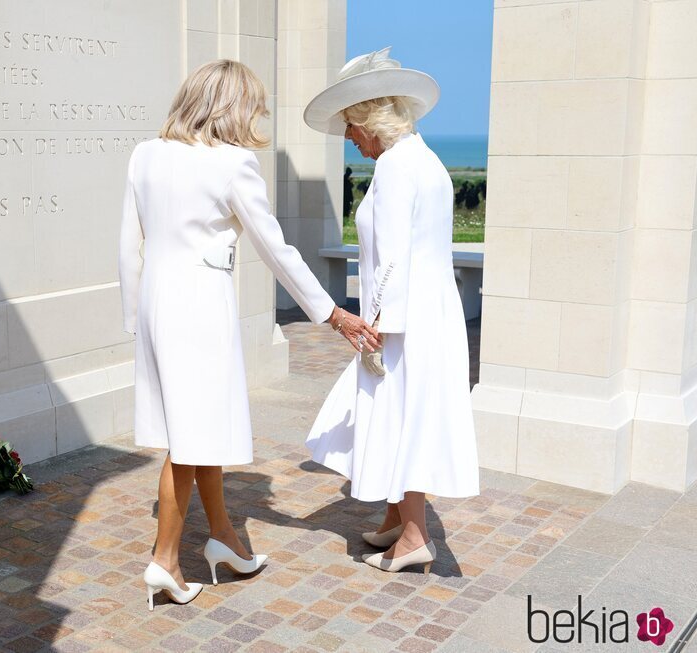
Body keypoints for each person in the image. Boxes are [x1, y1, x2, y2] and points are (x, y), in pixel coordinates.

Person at [118, 59, 380, 609]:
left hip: (155, 306)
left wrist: (134, 321)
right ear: (233, 107)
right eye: (253, 105)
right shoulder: (234, 164)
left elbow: (129, 246)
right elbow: (275, 249)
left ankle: (227, 540)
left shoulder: (145, 154)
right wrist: (331, 312)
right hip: (200, 309)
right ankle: (165, 561)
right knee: (188, 443)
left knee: (197, 428)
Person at [303, 47, 480, 574]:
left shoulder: (400, 167)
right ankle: (396, 519)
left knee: (406, 418)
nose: (348, 138)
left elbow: (394, 257)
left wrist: (376, 325)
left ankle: (415, 537)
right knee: (401, 415)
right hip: (426, 312)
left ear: (368, 119)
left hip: (406, 319)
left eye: (349, 128)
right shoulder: (420, 159)